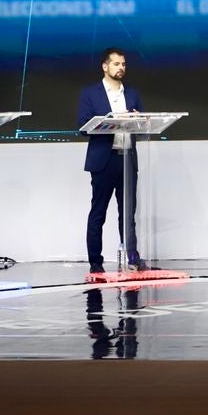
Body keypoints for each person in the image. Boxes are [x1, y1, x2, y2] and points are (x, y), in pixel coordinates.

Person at [78, 47, 146, 272]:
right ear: (105, 66)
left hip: (127, 159)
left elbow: (144, 122)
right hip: (104, 161)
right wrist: (111, 120)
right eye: (116, 64)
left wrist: (138, 120)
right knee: (99, 211)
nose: (121, 68)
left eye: (124, 64)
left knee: (128, 213)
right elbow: (83, 126)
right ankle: (95, 262)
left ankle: (133, 257)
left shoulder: (132, 94)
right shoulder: (91, 93)